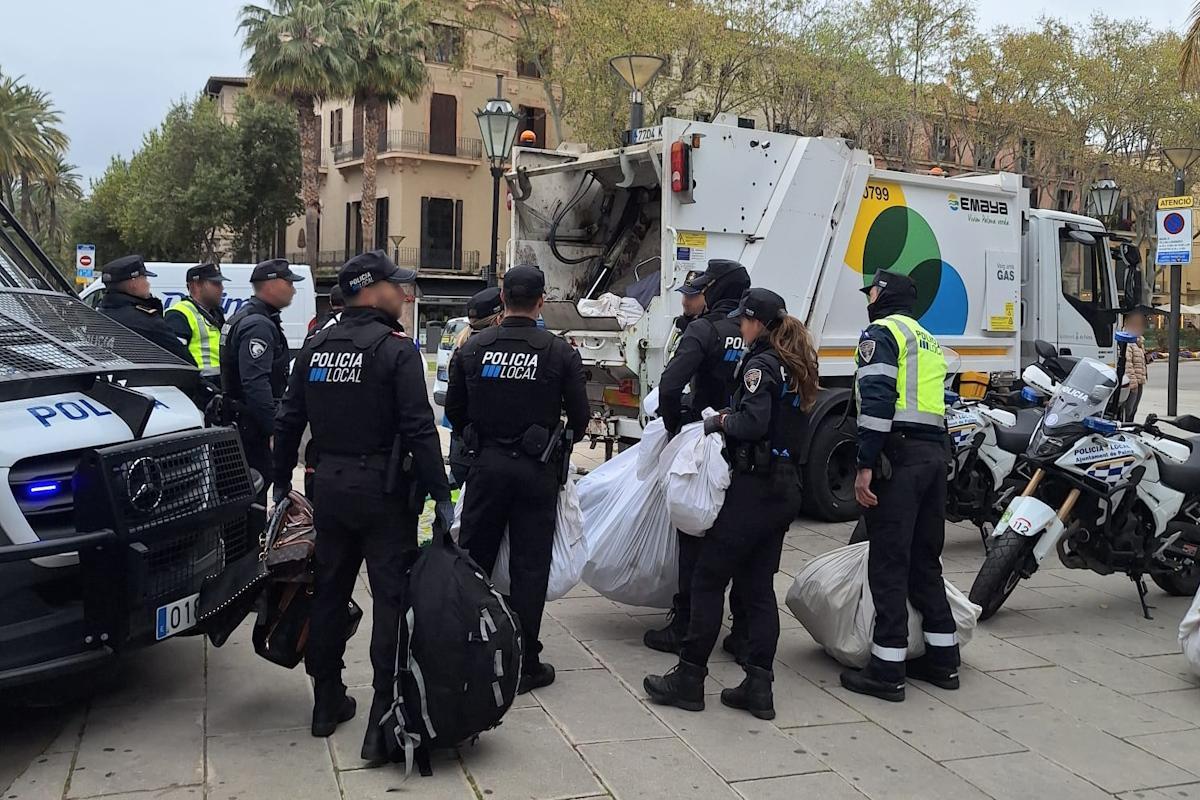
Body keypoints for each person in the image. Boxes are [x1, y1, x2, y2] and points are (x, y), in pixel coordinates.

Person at [273, 250, 452, 758]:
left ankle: (325, 702)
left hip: (328, 486)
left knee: (328, 593)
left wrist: (278, 481)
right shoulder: (395, 349)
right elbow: (419, 427)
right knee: (390, 600)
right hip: (383, 492)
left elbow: (288, 419)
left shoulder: (315, 345)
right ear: (370, 290)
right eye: (396, 286)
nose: (404, 294)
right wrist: (440, 492)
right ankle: (383, 715)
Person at [644, 288, 817, 720]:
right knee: (758, 589)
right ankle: (759, 686)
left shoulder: (761, 365)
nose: (739, 326)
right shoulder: (797, 365)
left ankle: (689, 679)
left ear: (758, 323)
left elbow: (753, 422)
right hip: (784, 490)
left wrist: (719, 420)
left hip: (753, 490)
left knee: (707, 579)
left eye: (744, 320)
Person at [445, 265, 589, 694]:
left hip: (486, 467)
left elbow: (455, 411)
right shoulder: (559, 352)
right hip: (534, 472)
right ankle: (524, 661)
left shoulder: (472, 350)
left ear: (503, 299)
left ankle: (469, 647)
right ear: (541, 301)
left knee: (473, 561)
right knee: (530, 568)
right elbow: (579, 420)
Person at [840, 269, 956, 703]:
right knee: (926, 562)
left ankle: (886, 670)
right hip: (933, 457)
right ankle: (944, 661)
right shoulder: (926, 338)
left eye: (870, 290)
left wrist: (865, 463)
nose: (867, 296)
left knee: (889, 562)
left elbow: (876, 401)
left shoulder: (881, 333)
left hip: (899, 458)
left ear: (882, 295)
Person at [644, 260, 751, 657]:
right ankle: (742, 632)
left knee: (693, 533)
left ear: (718, 291)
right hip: (747, 448)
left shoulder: (705, 330)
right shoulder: (762, 331)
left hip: (705, 445)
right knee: (742, 541)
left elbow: (670, 384)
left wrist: (675, 426)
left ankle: (686, 624)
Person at [220, 258, 301, 498]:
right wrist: (274, 429)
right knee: (252, 498)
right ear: (272, 284)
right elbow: (255, 383)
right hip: (251, 429)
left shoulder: (246, 316)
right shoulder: (258, 325)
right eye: (289, 282)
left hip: (240, 422)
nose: (294, 289)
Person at [447, 287, 504, 487]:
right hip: (488, 451)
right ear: (499, 319)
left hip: (462, 448)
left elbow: (453, 406)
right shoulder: (496, 352)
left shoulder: (462, 349)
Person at [97, 255, 193, 364]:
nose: (148, 284)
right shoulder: (147, 322)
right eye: (144, 278)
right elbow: (184, 360)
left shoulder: (97, 318)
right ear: (134, 283)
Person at [164, 262, 229, 372]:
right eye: (215, 283)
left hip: (220, 383)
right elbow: (176, 358)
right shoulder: (178, 314)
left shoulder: (216, 313)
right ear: (196, 285)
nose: (221, 288)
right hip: (200, 383)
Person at [1121, 308, 1148, 422]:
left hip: (1139, 382)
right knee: (1128, 411)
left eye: (1140, 323)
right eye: (1135, 323)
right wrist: (1133, 386)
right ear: (1126, 323)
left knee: (1133, 411)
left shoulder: (1138, 342)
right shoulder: (1127, 341)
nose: (1138, 327)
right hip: (1133, 385)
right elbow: (1128, 366)